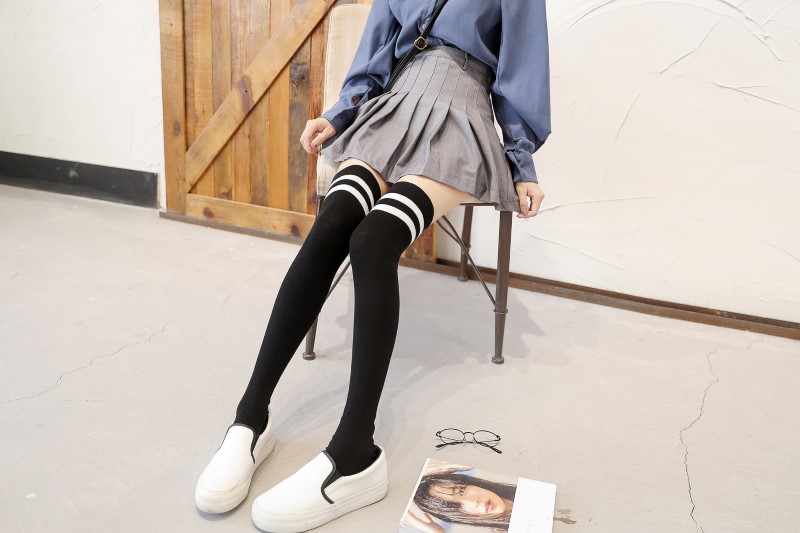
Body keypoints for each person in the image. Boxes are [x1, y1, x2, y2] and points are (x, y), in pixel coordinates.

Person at [194, 1, 552, 531]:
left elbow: (522, 68)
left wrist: (522, 163)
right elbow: (376, 53)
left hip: (459, 118)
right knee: (333, 224)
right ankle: (250, 419)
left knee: (373, 241)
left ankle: (355, 452)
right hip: (391, 107)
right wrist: (339, 113)